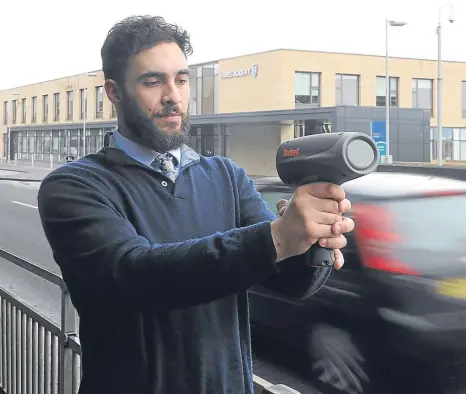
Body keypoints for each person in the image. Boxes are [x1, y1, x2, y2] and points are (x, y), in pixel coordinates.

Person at [36, 15, 355, 394]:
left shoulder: (227, 176)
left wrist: (313, 239)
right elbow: (132, 276)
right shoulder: (74, 186)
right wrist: (278, 239)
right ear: (114, 92)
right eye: (153, 81)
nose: (173, 96)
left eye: (182, 80)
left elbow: (289, 279)